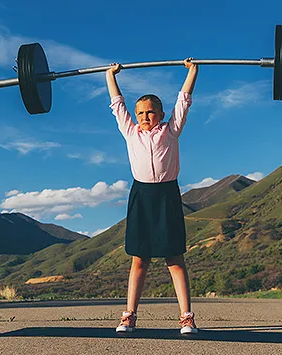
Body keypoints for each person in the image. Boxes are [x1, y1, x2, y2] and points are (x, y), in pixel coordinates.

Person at [106, 58, 199, 334]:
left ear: (161, 113)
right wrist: (111, 75)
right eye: (141, 113)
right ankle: (129, 316)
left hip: (167, 196)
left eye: (151, 112)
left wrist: (193, 71)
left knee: (174, 258)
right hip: (142, 197)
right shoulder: (130, 132)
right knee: (139, 259)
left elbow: (184, 101)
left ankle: (186, 317)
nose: (145, 117)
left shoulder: (171, 131)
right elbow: (116, 104)